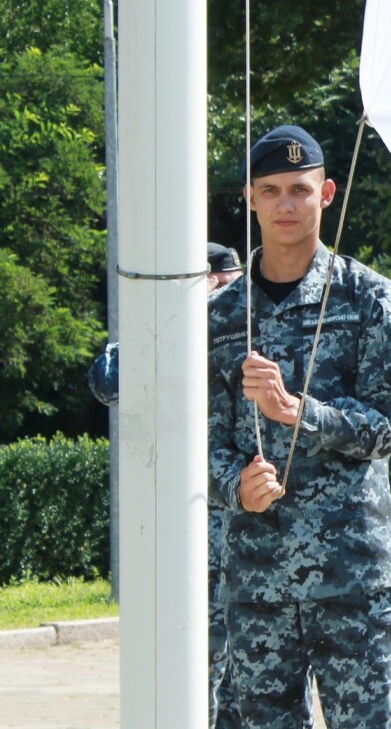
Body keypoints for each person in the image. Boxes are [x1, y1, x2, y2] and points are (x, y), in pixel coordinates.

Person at [207, 124, 391, 728]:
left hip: (351, 570)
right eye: (269, 191)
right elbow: (203, 438)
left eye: (298, 190)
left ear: (325, 193)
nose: (285, 205)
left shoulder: (370, 298)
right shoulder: (222, 316)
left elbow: (388, 429)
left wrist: (300, 413)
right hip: (256, 576)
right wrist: (232, 484)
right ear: (249, 199)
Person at [87, 241, 245, 729]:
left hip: (251, 527)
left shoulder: (252, 329)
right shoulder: (167, 333)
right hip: (188, 535)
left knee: (252, 675)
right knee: (199, 668)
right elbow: (106, 379)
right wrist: (178, 319)